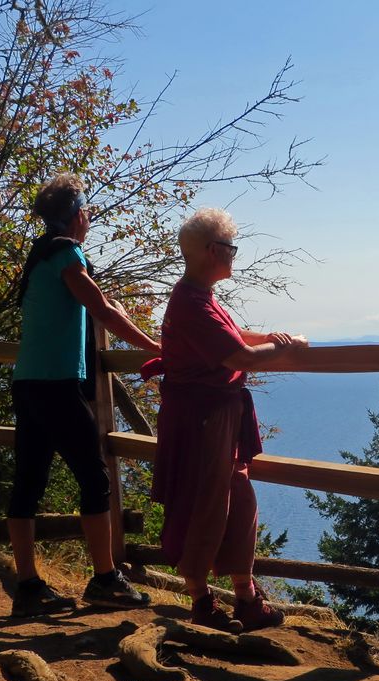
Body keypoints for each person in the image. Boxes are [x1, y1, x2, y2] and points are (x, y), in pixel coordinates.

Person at [7, 173, 161, 618]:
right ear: (76, 215)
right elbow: (98, 308)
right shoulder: (68, 253)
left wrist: (115, 309)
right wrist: (153, 346)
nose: (89, 218)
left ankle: (28, 586)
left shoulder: (42, 254)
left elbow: (96, 301)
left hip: (29, 382)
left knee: (28, 483)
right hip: (56, 385)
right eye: (88, 211)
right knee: (95, 480)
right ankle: (105, 579)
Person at [149, 207, 308, 632]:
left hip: (217, 417)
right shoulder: (190, 302)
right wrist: (285, 349)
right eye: (231, 247)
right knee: (204, 505)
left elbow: (236, 337)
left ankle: (246, 598)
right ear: (210, 251)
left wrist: (278, 338)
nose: (234, 255)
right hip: (201, 420)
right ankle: (202, 605)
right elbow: (238, 355)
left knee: (238, 502)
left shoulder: (202, 297)